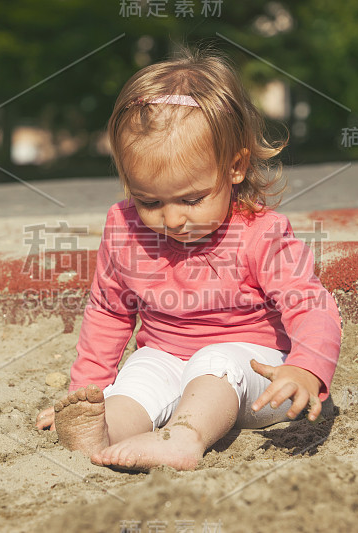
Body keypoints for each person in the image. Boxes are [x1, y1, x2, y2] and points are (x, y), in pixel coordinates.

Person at [36, 48, 341, 471]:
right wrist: (89, 393)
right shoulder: (124, 228)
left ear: (235, 167)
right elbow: (108, 312)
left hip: (258, 377)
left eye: (192, 199)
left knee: (214, 362)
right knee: (139, 376)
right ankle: (101, 430)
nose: (174, 218)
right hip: (168, 356)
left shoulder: (260, 232)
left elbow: (310, 305)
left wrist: (307, 370)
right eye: (150, 200)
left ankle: (185, 438)